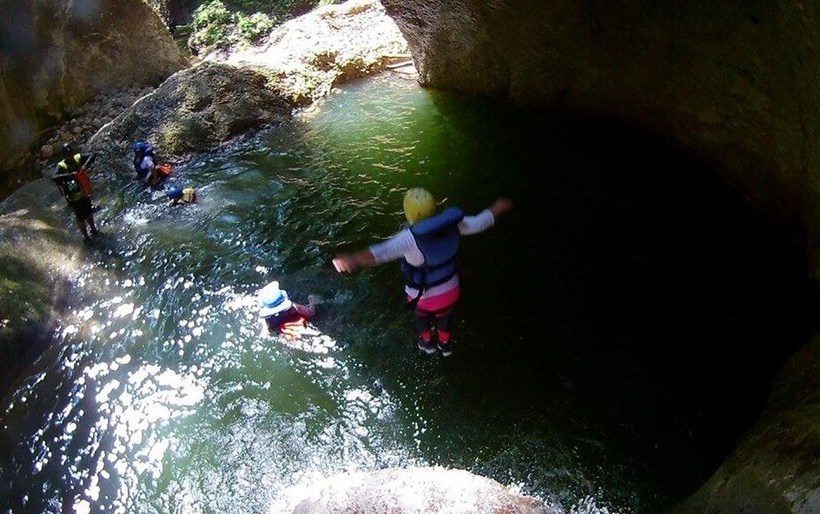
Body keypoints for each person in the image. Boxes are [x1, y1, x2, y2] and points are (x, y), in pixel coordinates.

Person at [332, 187, 514, 356]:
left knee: (422, 317)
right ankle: (445, 345)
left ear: (408, 213)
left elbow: (379, 253)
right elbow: (481, 223)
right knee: (444, 316)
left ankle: (427, 343)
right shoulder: (452, 224)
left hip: (424, 298)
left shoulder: (408, 238)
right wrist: (497, 207)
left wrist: (352, 258)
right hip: (451, 292)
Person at [53, 142, 100, 245]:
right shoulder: (61, 166)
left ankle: (93, 229)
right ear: (64, 155)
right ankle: (86, 237)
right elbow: (55, 177)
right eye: (67, 154)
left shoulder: (77, 158)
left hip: (84, 193)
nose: (69, 156)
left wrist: (85, 166)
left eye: (70, 153)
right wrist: (69, 175)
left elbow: (93, 154)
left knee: (89, 212)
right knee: (81, 218)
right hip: (74, 197)